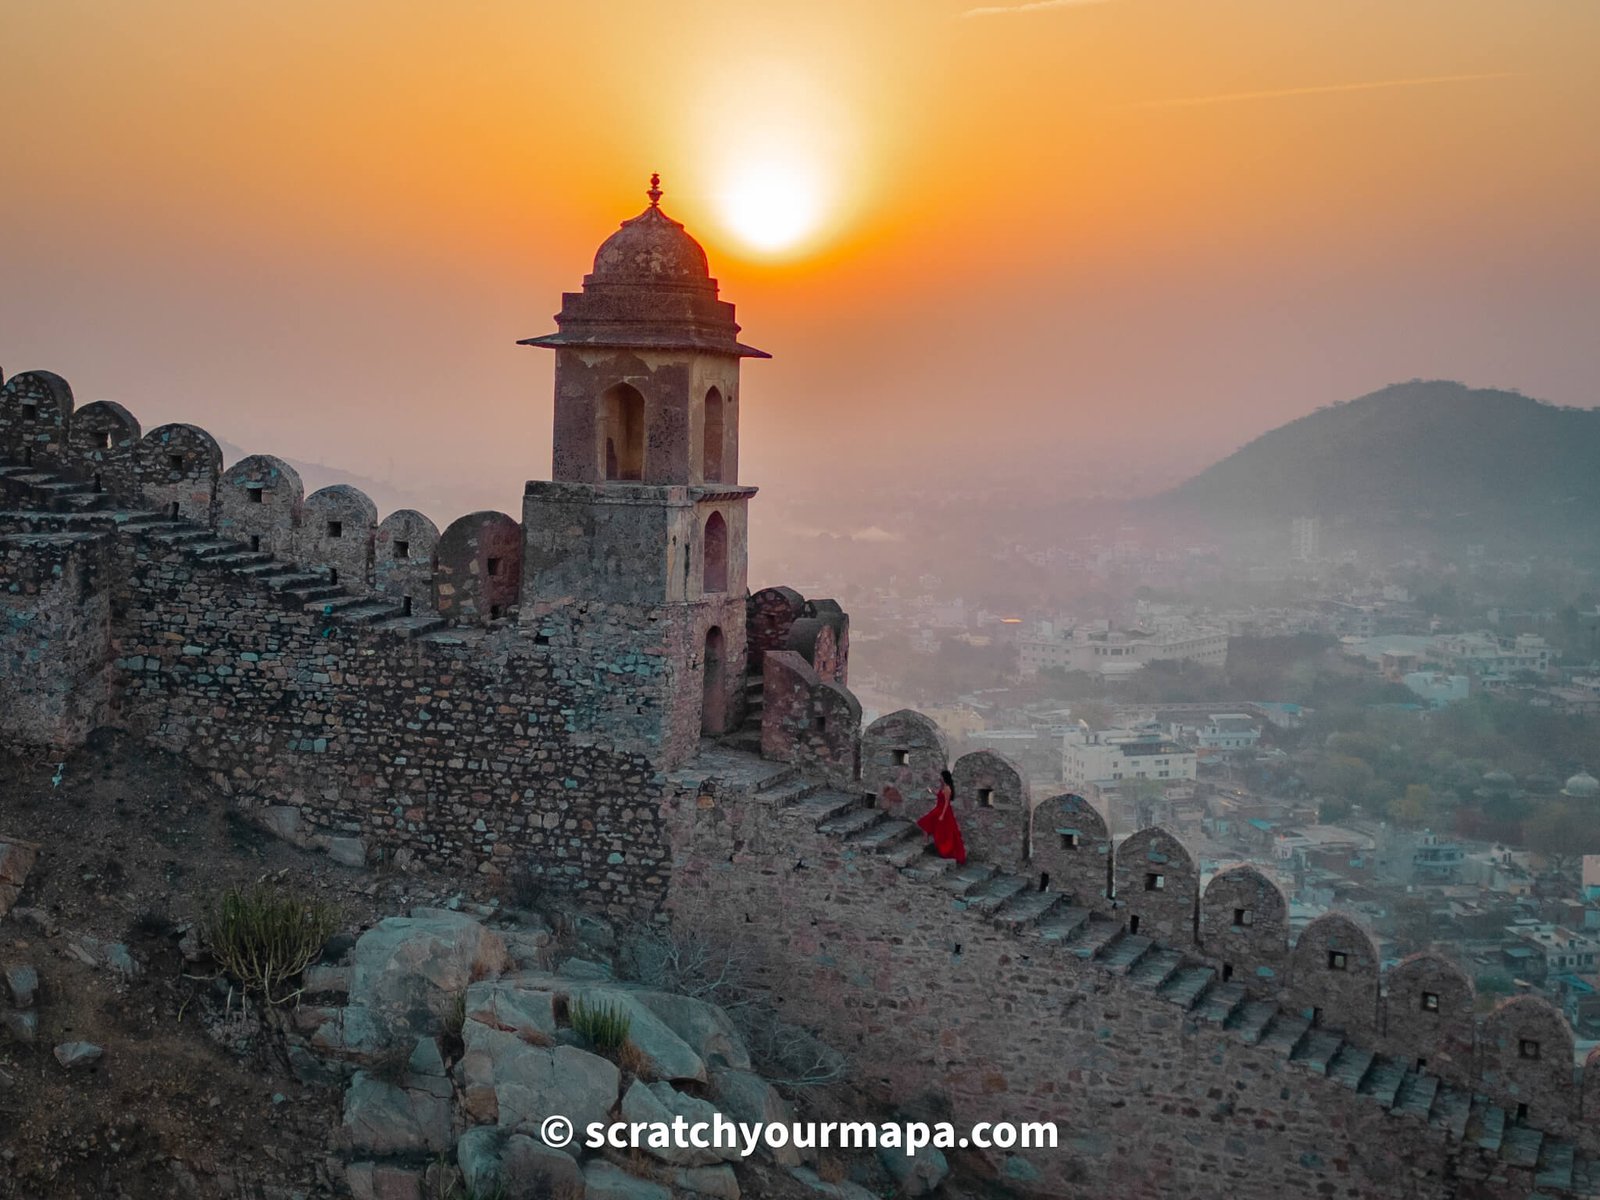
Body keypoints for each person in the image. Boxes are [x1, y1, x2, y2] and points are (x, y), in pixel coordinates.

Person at [916, 769, 967, 866]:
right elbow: (939, 794)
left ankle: (943, 848)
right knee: (926, 822)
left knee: (941, 830)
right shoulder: (943, 786)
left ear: (945, 778)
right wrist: (931, 791)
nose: (940, 778)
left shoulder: (947, 788)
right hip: (938, 809)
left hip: (944, 811)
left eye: (941, 777)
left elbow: (947, 803)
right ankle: (926, 839)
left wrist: (942, 815)